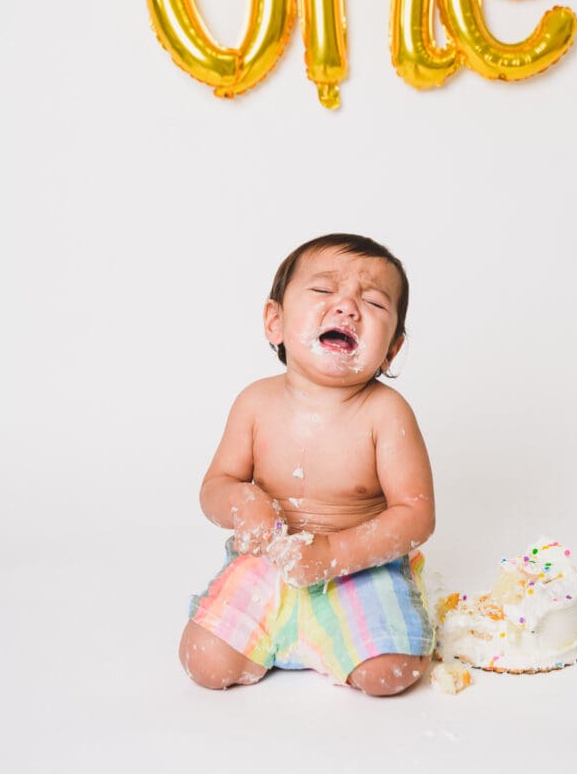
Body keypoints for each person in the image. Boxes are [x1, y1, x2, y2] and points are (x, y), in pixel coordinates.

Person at [179, 233, 436, 696]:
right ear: (274, 322)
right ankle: (289, 633)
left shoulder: (386, 412)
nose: (347, 307)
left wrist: (333, 555)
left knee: (389, 674)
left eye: (374, 302)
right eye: (323, 291)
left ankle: (334, 636)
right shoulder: (255, 403)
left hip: (359, 566)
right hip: (267, 559)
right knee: (205, 664)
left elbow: (416, 514)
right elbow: (214, 487)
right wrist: (243, 502)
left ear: (392, 349)